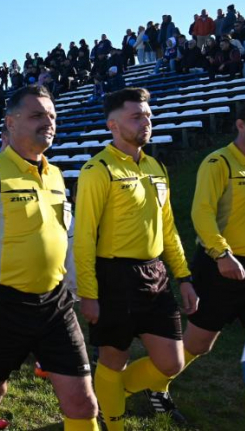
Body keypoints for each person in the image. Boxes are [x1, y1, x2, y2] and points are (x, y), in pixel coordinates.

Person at [0, 85, 97, 431]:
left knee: (83, 402)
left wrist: (82, 288)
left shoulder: (56, 175)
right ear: (10, 123)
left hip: (55, 305)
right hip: (0, 305)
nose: (49, 122)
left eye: (52, 116)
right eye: (37, 115)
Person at [74, 88, 198, 430]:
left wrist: (184, 277)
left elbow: (168, 226)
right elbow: (83, 237)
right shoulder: (97, 169)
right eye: (136, 116)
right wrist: (88, 292)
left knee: (171, 362)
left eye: (148, 116)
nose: (146, 122)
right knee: (114, 358)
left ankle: (109, 393)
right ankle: (113, 421)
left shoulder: (156, 166)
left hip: (156, 273)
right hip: (114, 276)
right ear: (112, 125)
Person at [156, 101, 245, 416]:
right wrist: (222, 254)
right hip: (220, 267)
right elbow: (202, 213)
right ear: (241, 125)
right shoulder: (218, 162)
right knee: (198, 345)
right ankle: (154, 384)